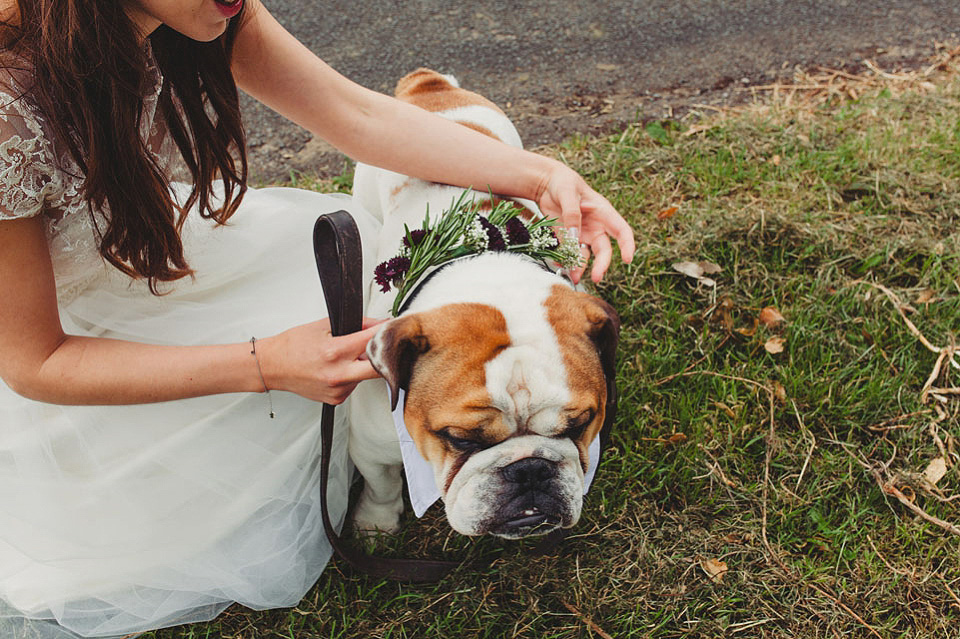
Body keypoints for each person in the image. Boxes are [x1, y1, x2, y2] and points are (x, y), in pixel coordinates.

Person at [0, 0, 636, 637]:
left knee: (350, 277)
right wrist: (267, 364)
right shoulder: (8, 104)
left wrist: (541, 176)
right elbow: (34, 361)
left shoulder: (209, 9)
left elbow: (356, 114)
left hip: (151, 256)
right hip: (50, 333)